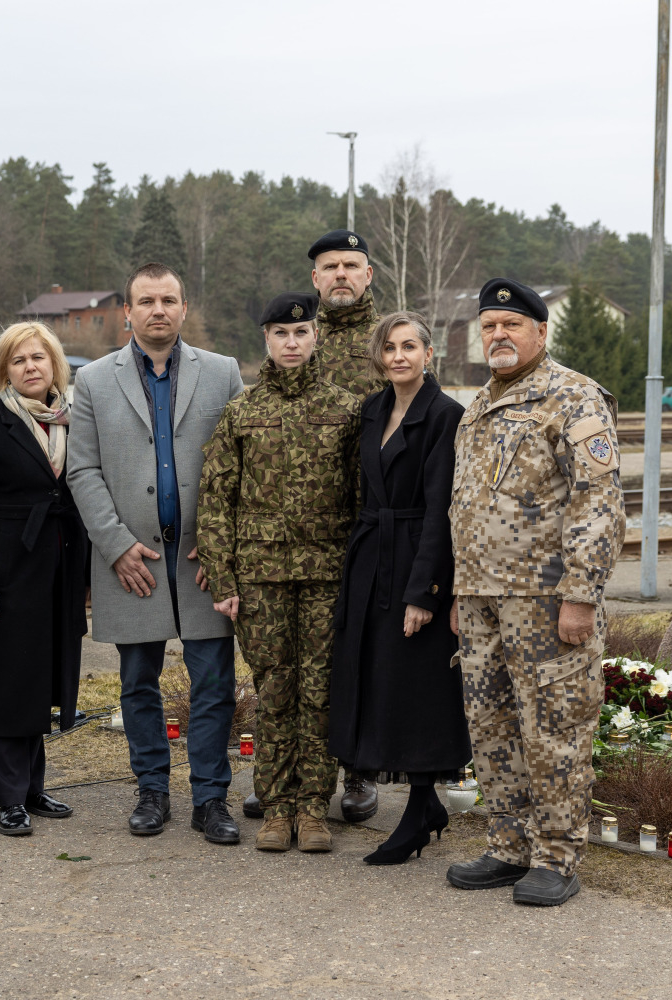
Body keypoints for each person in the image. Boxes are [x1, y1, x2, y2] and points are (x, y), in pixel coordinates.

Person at [445, 278, 626, 907]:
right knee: (491, 725)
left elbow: (597, 502)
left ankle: (557, 853)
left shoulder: (572, 398)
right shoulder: (476, 406)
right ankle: (509, 844)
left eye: (512, 325)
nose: (498, 335)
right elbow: (466, 506)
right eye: (489, 325)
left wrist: (580, 594)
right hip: (481, 599)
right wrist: (460, 591)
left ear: (540, 333)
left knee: (554, 726)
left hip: (545, 601)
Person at [66, 262, 246, 844]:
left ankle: (211, 797)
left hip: (201, 560)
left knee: (214, 681)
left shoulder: (222, 373)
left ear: (185, 308)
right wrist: (115, 546)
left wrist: (221, 548)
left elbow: (242, 465)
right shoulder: (93, 381)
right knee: (137, 681)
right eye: (146, 301)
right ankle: (151, 790)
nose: (158, 310)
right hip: (133, 558)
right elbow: (83, 468)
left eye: (169, 300)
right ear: (128, 311)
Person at [198, 291, 361, 853]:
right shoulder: (242, 412)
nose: (291, 343)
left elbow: (363, 501)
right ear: (265, 340)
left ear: (315, 336)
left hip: (326, 575)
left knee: (320, 691)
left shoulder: (346, 408)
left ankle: (314, 806)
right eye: (279, 335)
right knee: (274, 689)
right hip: (261, 577)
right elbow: (216, 499)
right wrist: (223, 579)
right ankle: (275, 807)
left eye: (300, 333)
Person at [328, 311, 470, 865]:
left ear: (428, 354)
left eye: (409, 346)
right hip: (371, 558)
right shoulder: (372, 410)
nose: (399, 357)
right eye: (389, 348)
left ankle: (419, 809)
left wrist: (425, 592)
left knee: (417, 689)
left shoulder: (445, 416)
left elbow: (442, 510)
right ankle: (420, 806)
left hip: (417, 557)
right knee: (378, 680)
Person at [0, 322, 85, 836]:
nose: (31, 368)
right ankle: (7, 797)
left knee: (37, 677)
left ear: (55, 366)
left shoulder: (71, 421)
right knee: (5, 680)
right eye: (19, 360)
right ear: (4, 371)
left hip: (58, 567)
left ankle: (31, 787)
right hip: (5, 571)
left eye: (39, 359)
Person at [306, 227, 386, 823]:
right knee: (301, 658)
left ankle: (359, 774)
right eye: (329, 266)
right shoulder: (297, 336)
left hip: (369, 525)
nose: (340, 275)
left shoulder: (388, 341)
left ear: (368, 274)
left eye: (350, 265)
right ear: (315, 278)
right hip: (306, 526)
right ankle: (298, 776)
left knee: (360, 654)